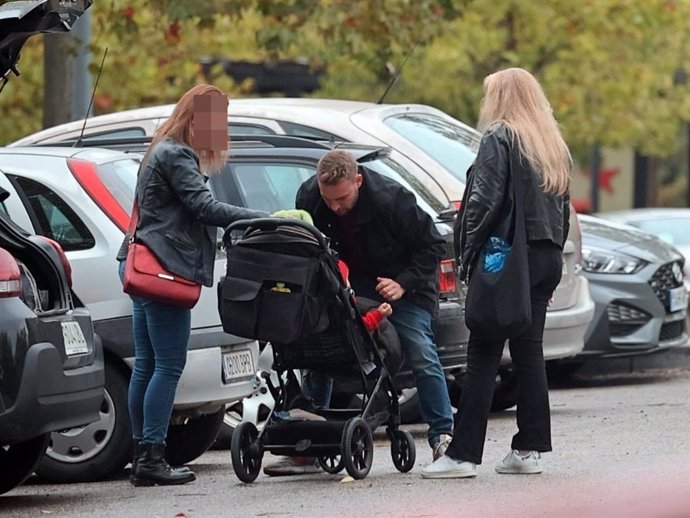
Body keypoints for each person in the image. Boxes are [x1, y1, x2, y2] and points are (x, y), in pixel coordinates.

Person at [263, 148, 454, 477]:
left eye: (342, 199)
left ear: (359, 181)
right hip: (349, 285)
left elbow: (433, 245)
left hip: (402, 285)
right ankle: (308, 447)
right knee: (320, 346)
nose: (335, 207)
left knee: (421, 351)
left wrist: (403, 284)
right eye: (329, 200)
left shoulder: (392, 200)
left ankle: (443, 438)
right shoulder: (310, 196)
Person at [421, 67, 571, 479]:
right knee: (528, 352)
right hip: (544, 257)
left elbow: (483, 204)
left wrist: (466, 256)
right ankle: (528, 449)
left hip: (506, 259)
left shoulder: (499, 137)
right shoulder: (550, 143)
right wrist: (548, 269)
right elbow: (562, 210)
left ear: (500, 98)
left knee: (483, 351)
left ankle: (463, 454)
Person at [116, 84, 267, 487]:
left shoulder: (159, 148)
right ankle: (151, 456)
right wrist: (257, 218)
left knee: (147, 365)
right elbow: (203, 206)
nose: (223, 130)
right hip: (163, 269)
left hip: (142, 264)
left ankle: (141, 455)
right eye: (219, 122)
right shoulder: (178, 153)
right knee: (167, 364)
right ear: (198, 120)